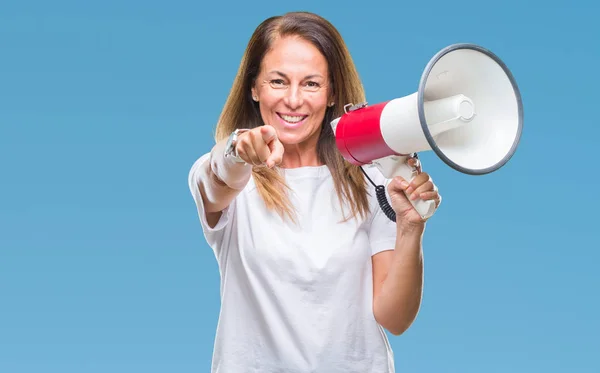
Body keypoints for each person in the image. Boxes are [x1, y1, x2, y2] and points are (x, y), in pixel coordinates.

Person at [188, 11, 442, 373]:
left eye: (311, 84)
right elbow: (214, 179)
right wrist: (237, 150)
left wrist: (411, 227)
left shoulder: (370, 179)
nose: (293, 100)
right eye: (278, 81)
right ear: (253, 87)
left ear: (332, 92)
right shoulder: (230, 179)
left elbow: (394, 319)